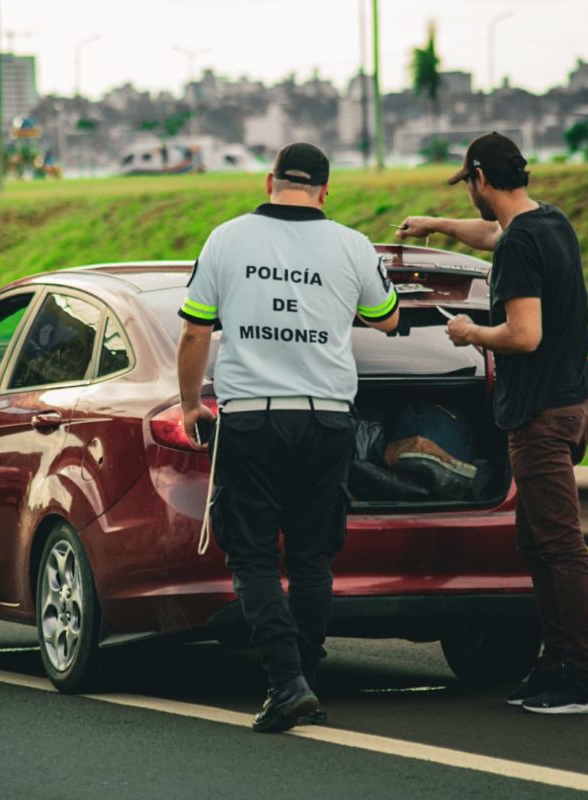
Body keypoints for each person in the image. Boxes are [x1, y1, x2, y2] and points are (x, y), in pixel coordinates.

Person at [177, 142, 400, 733]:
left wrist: (188, 404)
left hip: (250, 416)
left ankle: (286, 682)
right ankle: (305, 680)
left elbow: (195, 333)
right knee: (310, 557)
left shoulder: (225, 239)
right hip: (328, 418)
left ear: (269, 180)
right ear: (326, 191)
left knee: (250, 552)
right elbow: (387, 318)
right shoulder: (353, 245)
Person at [396, 132, 588, 715]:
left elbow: (524, 335)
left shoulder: (521, 245)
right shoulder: (549, 223)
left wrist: (470, 334)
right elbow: (492, 234)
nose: (469, 194)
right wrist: (437, 226)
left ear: (480, 180)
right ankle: (554, 666)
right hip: (572, 402)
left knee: (559, 545)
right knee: (536, 543)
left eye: (467, 183)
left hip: (541, 414)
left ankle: (585, 679)